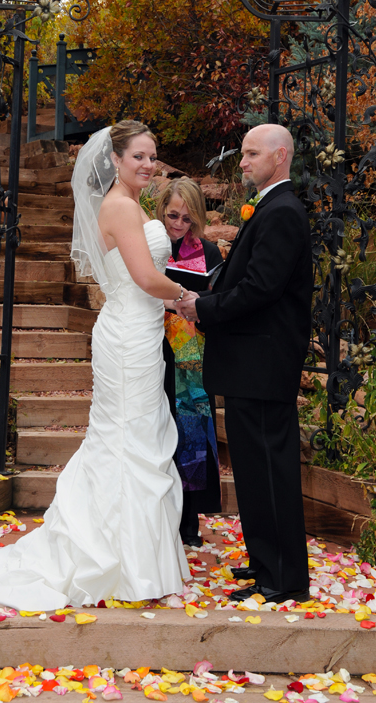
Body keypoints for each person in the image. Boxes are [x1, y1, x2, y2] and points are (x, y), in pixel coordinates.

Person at [0, 120, 193, 609]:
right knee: (127, 439)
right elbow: (144, 277)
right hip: (127, 334)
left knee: (138, 436)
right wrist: (188, 295)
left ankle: (139, 563)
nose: (148, 164)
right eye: (138, 156)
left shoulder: (132, 205)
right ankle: (121, 564)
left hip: (138, 331)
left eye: (152, 155)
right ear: (115, 160)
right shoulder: (119, 207)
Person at [177, 123, 312, 605]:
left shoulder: (282, 212)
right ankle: (264, 561)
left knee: (270, 469)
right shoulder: (272, 208)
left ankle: (284, 577)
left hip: (263, 362)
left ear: (279, 157)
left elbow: (261, 289)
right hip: (251, 362)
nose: (242, 162)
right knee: (254, 469)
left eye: (251, 154)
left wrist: (204, 308)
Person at [157, 177, 223, 547]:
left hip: (192, 357)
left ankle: (188, 522)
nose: (178, 224)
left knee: (191, 433)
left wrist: (200, 303)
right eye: (172, 215)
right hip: (155, 349)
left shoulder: (209, 252)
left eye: (187, 219)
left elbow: (217, 300)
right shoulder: (152, 242)